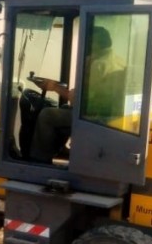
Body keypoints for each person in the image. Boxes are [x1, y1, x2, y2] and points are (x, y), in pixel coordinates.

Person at [29, 26, 125, 163]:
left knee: (47, 114)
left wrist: (53, 87)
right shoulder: (117, 60)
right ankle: (59, 150)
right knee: (63, 110)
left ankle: (39, 160)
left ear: (94, 43)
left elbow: (80, 100)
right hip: (110, 114)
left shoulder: (98, 65)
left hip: (95, 116)